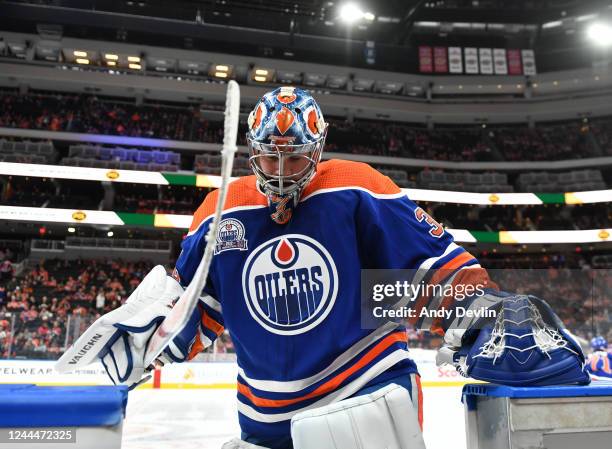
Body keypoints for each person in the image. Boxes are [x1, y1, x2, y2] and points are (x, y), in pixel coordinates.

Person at [57, 87, 588, 449]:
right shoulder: (221, 210)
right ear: (252, 152)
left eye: (295, 157)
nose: (283, 171)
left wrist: (474, 309)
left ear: (319, 147)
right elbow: (203, 309)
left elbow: (413, 274)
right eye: (271, 157)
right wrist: (148, 342)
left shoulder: (355, 186)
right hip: (264, 416)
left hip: (364, 395)